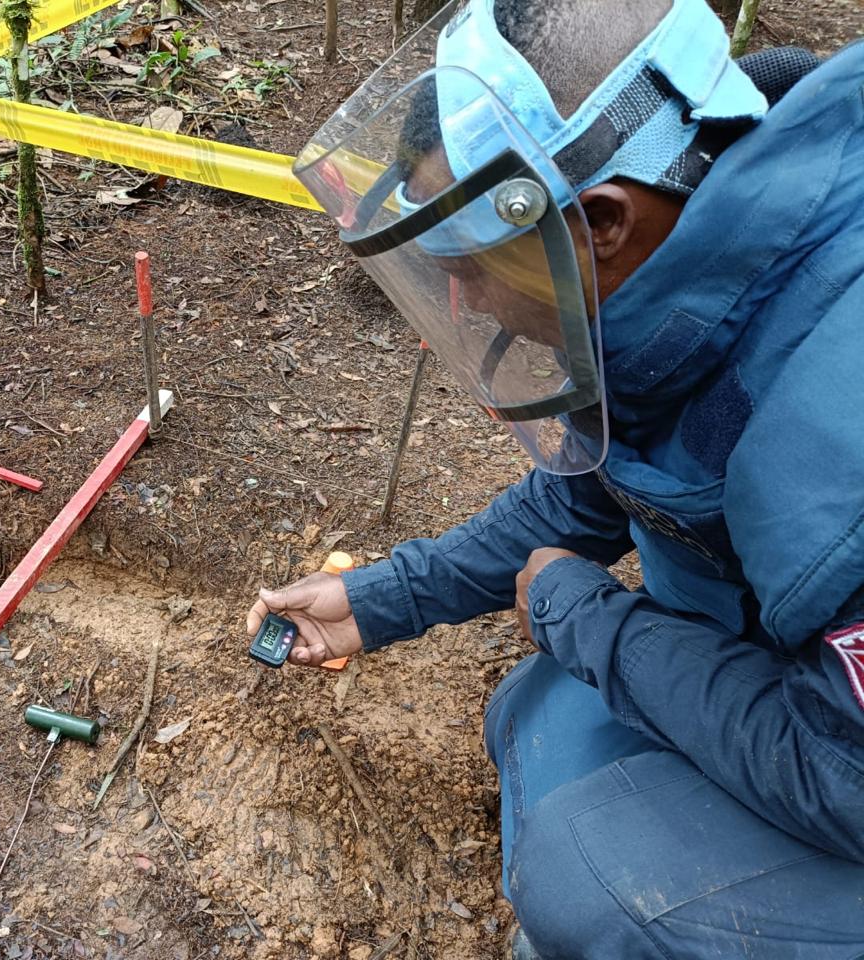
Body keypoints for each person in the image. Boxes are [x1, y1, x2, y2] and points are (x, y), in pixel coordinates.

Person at [248, 0, 864, 956]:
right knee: (541, 715)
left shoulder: (841, 432)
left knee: (592, 873)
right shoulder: (702, 260)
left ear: (602, 222)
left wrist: (588, 618)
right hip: (797, 662)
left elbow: (847, 778)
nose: (459, 300)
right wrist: (379, 599)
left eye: (470, 264)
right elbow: (609, 482)